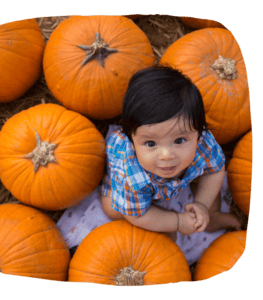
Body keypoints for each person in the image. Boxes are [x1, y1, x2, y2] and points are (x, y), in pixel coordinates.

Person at [100, 65, 242, 242]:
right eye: (151, 143)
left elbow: (215, 170)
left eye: (180, 140)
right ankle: (163, 216)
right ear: (131, 140)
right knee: (113, 209)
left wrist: (202, 204)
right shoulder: (130, 175)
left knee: (206, 181)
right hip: (136, 191)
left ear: (198, 131)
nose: (166, 155)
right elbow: (136, 215)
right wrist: (177, 221)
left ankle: (210, 216)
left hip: (178, 179)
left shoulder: (203, 143)